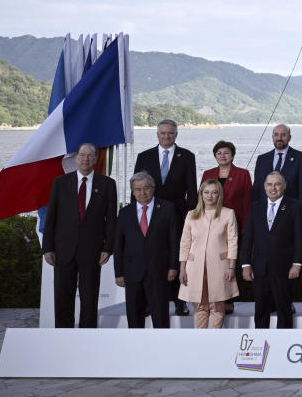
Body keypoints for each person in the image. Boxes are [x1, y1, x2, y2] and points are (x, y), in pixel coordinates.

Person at [42, 143, 117, 328]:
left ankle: (87, 337)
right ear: (76, 158)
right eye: (82, 155)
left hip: (92, 251)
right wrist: (48, 248)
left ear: (95, 159)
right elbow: (51, 218)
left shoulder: (107, 184)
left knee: (89, 298)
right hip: (63, 251)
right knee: (62, 298)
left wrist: (108, 248)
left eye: (90, 156)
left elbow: (111, 220)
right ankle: (62, 337)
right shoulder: (60, 183)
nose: (86, 159)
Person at [134, 120, 197, 316]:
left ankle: (180, 302)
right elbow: (135, 187)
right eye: (163, 133)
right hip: (149, 215)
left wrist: (191, 217)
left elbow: (192, 191)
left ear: (176, 134)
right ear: (157, 134)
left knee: (177, 257)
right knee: (149, 256)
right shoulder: (144, 157)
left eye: (170, 133)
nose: (166, 136)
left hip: (177, 216)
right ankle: (145, 303)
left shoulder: (187, 156)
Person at [240, 172, 302, 329]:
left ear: (284, 186)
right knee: (261, 311)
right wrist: (245, 264)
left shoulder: (295, 206)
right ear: (264, 186)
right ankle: (261, 346)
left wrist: (297, 264)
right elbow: (248, 238)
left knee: (284, 310)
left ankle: (282, 346)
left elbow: (299, 239)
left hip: (284, 269)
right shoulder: (256, 206)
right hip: (260, 269)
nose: (273, 188)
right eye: (269, 184)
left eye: (277, 184)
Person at [113, 172, 179, 329]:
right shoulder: (124, 213)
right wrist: (119, 273)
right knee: (134, 319)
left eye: (146, 188)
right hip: (132, 273)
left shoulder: (167, 208)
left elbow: (174, 241)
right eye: (138, 189)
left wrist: (173, 266)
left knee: (161, 318)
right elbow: (118, 245)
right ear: (133, 191)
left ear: (153, 188)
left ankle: (161, 349)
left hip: (159, 271)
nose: (142, 193)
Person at [178, 180, 239, 329]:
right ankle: (201, 344)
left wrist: (231, 267)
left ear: (219, 195)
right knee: (199, 307)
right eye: (206, 192)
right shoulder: (191, 215)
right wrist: (182, 268)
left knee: (217, 307)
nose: (210, 196)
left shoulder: (228, 214)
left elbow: (233, 242)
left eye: (214, 192)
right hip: (194, 267)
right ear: (201, 194)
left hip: (220, 267)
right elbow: (185, 243)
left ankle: (214, 342)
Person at [201, 140, 252, 315]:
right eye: (219, 153)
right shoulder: (208, 174)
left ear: (232, 155)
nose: (222, 156)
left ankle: (228, 299)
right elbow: (201, 199)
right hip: (211, 225)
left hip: (235, 225)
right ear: (215, 156)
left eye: (226, 153)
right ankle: (212, 298)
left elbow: (247, 201)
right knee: (212, 261)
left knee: (231, 262)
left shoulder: (243, 174)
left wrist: (246, 226)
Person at [251, 123, 302, 207]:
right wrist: (254, 212)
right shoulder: (262, 159)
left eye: (283, 135)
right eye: (276, 135)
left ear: (289, 137)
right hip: (264, 211)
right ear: (272, 137)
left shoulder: (301, 158)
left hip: (290, 211)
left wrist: (300, 214)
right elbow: (257, 188)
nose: (279, 138)